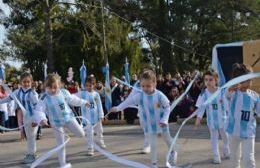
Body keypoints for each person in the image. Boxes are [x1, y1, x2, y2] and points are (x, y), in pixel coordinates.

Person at [110, 70, 177, 168]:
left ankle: (173, 151)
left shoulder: (159, 95)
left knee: (167, 139)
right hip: (150, 125)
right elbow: (128, 102)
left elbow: (167, 106)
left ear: (154, 84)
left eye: (148, 86)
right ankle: (154, 164)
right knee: (153, 144)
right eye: (143, 86)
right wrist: (117, 108)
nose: (145, 88)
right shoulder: (140, 96)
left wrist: (165, 119)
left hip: (162, 123)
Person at [33, 73, 89, 168]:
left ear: (59, 85)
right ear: (46, 86)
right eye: (50, 87)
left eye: (55, 87)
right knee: (60, 144)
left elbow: (73, 99)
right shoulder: (44, 97)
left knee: (81, 134)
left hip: (68, 119)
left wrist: (84, 102)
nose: (53, 90)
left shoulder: (63, 92)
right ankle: (63, 164)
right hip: (56, 124)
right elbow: (39, 109)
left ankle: (80, 127)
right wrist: (42, 119)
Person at [225, 63, 260, 168]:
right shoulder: (232, 93)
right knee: (234, 159)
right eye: (246, 80)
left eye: (250, 80)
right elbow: (223, 96)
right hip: (232, 131)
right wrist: (230, 88)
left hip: (248, 132)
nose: (249, 83)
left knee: (249, 160)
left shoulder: (255, 96)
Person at [0, 72, 39, 163]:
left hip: (33, 117)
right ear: (21, 82)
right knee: (29, 137)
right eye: (24, 82)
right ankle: (32, 153)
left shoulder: (33, 93)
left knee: (31, 137)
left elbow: (38, 107)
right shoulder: (18, 91)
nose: (26, 84)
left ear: (31, 82)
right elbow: (9, 98)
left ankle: (32, 155)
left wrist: (37, 120)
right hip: (26, 118)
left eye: (28, 82)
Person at [195, 70, 230, 164]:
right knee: (213, 139)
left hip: (222, 120)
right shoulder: (204, 94)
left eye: (211, 79)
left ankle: (227, 150)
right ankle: (216, 157)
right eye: (206, 80)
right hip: (211, 122)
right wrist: (198, 119)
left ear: (216, 80)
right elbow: (201, 108)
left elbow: (227, 106)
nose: (208, 82)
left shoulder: (221, 92)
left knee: (225, 137)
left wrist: (230, 116)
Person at [75, 76, 106, 156]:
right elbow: (73, 97)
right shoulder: (82, 93)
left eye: (90, 85)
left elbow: (99, 105)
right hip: (87, 119)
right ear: (85, 85)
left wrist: (101, 115)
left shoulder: (96, 95)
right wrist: (65, 96)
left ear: (94, 85)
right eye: (87, 85)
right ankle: (90, 148)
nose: (88, 87)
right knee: (89, 134)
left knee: (100, 131)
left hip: (96, 118)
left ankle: (100, 141)